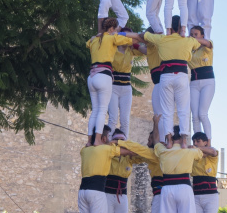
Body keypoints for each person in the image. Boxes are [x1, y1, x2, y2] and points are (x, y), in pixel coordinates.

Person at [142, 15, 208, 148]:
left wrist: (120, 33)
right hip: (181, 75)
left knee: (167, 111)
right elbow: (200, 42)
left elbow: (144, 35)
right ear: (181, 27)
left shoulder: (161, 39)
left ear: (169, 27)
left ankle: (169, 140)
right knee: (183, 109)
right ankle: (184, 141)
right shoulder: (188, 40)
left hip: (165, 76)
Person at [78, 124, 134, 213]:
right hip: (98, 191)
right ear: (103, 138)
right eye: (108, 137)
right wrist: (116, 143)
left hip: (83, 190)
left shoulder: (85, 150)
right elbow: (129, 151)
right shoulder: (107, 149)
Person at [153, 121, 204, 213]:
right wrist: (188, 145)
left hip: (167, 188)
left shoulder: (163, 150)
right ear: (183, 138)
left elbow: (156, 141)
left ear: (169, 138)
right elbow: (200, 154)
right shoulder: (189, 151)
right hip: (184, 187)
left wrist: (155, 124)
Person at [86, 18, 139, 146]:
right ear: (111, 29)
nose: (116, 32)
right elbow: (134, 40)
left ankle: (89, 141)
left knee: (95, 110)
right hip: (104, 75)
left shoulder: (93, 40)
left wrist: (98, 35)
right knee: (102, 110)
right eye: (115, 29)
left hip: (92, 76)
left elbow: (88, 43)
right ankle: (98, 140)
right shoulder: (112, 38)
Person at [103, 129, 144, 213]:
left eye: (122, 141)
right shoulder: (108, 153)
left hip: (122, 196)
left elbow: (142, 154)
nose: (120, 143)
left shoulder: (129, 158)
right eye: (118, 141)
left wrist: (128, 145)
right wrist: (113, 143)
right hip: (108, 195)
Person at [107, 36, 144, 139]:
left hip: (126, 88)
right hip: (114, 87)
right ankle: (109, 141)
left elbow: (145, 51)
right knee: (113, 118)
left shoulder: (131, 50)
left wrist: (136, 43)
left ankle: (125, 143)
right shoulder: (113, 49)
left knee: (125, 120)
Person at [191, 132, 219, 213]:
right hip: (196, 196)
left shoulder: (211, 156)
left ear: (205, 142)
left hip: (210, 197)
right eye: (194, 142)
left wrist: (196, 149)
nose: (195, 144)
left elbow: (213, 151)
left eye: (198, 141)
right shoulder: (194, 157)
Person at [189, 26, 215, 141]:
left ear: (202, 35)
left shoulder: (206, 46)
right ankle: (197, 142)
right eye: (192, 34)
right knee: (194, 116)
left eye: (196, 34)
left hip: (207, 82)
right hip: (194, 82)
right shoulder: (189, 50)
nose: (193, 36)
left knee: (202, 114)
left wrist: (192, 39)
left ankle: (208, 141)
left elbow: (207, 43)